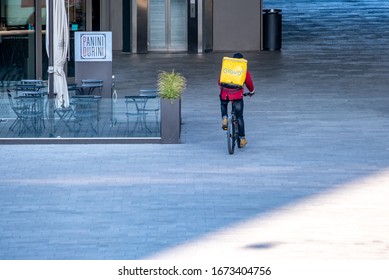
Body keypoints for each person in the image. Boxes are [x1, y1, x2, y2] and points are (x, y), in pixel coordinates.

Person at [218, 52, 255, 148]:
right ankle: (242, 138)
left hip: (225, 93)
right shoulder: (243, 70)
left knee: (223, 103)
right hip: (237, 95)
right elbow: (249, 83)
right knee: (239, 117)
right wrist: (252, 91)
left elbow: (219, 81)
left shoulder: (227, 68)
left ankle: (225, 118)